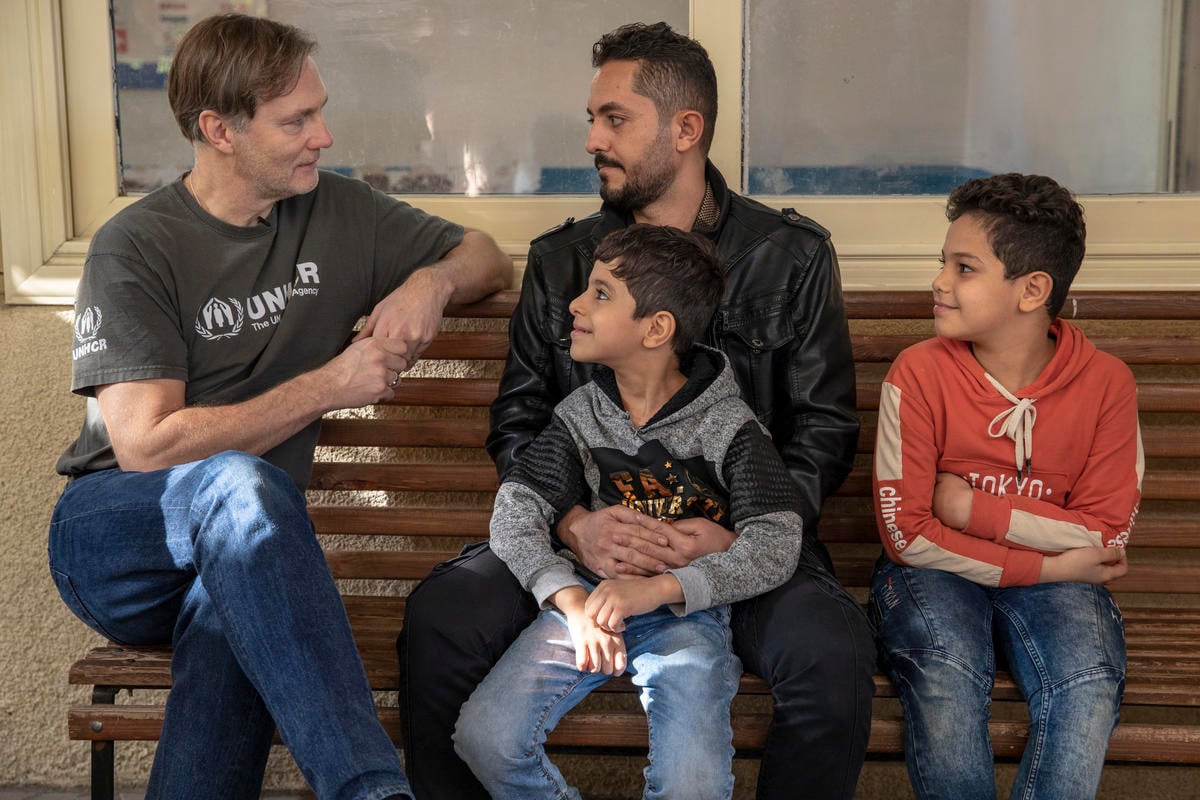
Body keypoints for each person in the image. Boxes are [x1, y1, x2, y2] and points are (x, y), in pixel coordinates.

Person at [400, 21, 875, 800]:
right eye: (592, 118)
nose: (592, 138)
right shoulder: (563, 261)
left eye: (614, 119)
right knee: (441, 619)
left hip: (741, 536)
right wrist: (573, 524)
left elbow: (824, 427)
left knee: (830, 652)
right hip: (585, 531)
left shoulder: (789, 254)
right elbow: (520, 424)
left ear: (686, 129)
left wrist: (737, 530)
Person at [47, 13, 511, 800]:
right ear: (218, 130)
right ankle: (370, 789)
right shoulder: (137, 245)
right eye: (296, 120)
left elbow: (485, 254)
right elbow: (149, 450)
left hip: (248, 551)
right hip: (118, 537)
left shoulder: (340, 213)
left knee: (239, 611)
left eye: (319, 111)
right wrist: (333, 383)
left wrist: (427, 283)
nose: (323, 136)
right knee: (244, 487)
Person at [454, 224, 805, 799]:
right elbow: (514, 512)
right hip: (587, 607)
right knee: (487, 738)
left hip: (689, 619)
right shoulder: (580, 415)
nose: (574, 304)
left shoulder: (728, 426)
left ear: (657, 328)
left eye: (600, 293)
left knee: (691, 784)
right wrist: (569, 602)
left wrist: (659, 590)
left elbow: (776, 542)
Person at [868, 173, 1141, 799]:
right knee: (945, 674)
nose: (939, 281)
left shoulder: (1106, 384)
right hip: (938, 573)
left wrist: (970, 507)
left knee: (1087, 679)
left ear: (1032, 290)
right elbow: (908, 534)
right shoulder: (919, 373)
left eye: (965, 268)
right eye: (944, 263)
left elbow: (1104, 532)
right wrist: (1044, 565)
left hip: (1062, 575)